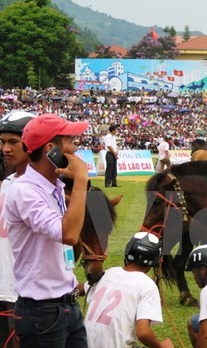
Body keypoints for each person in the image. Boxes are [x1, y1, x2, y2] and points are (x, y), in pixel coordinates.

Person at [3, 113, 90, 347]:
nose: (75, 148)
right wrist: (81, 181)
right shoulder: (24, 191)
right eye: (70, 141)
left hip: (65, 305)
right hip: (43, 312)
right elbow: (69, 235)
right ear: (52, 149)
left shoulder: (53, 187)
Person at [85, 232, 173, 348]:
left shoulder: (108, 273)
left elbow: (82, 288)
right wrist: (161, 346)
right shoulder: (147, 285)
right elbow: (143, 333)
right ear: (156, 260)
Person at [0, 111, 35, 348]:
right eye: (2, 142)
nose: (5, 149)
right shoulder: (7, 183)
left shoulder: (46, 187)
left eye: (13, 142)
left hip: (23, 295)